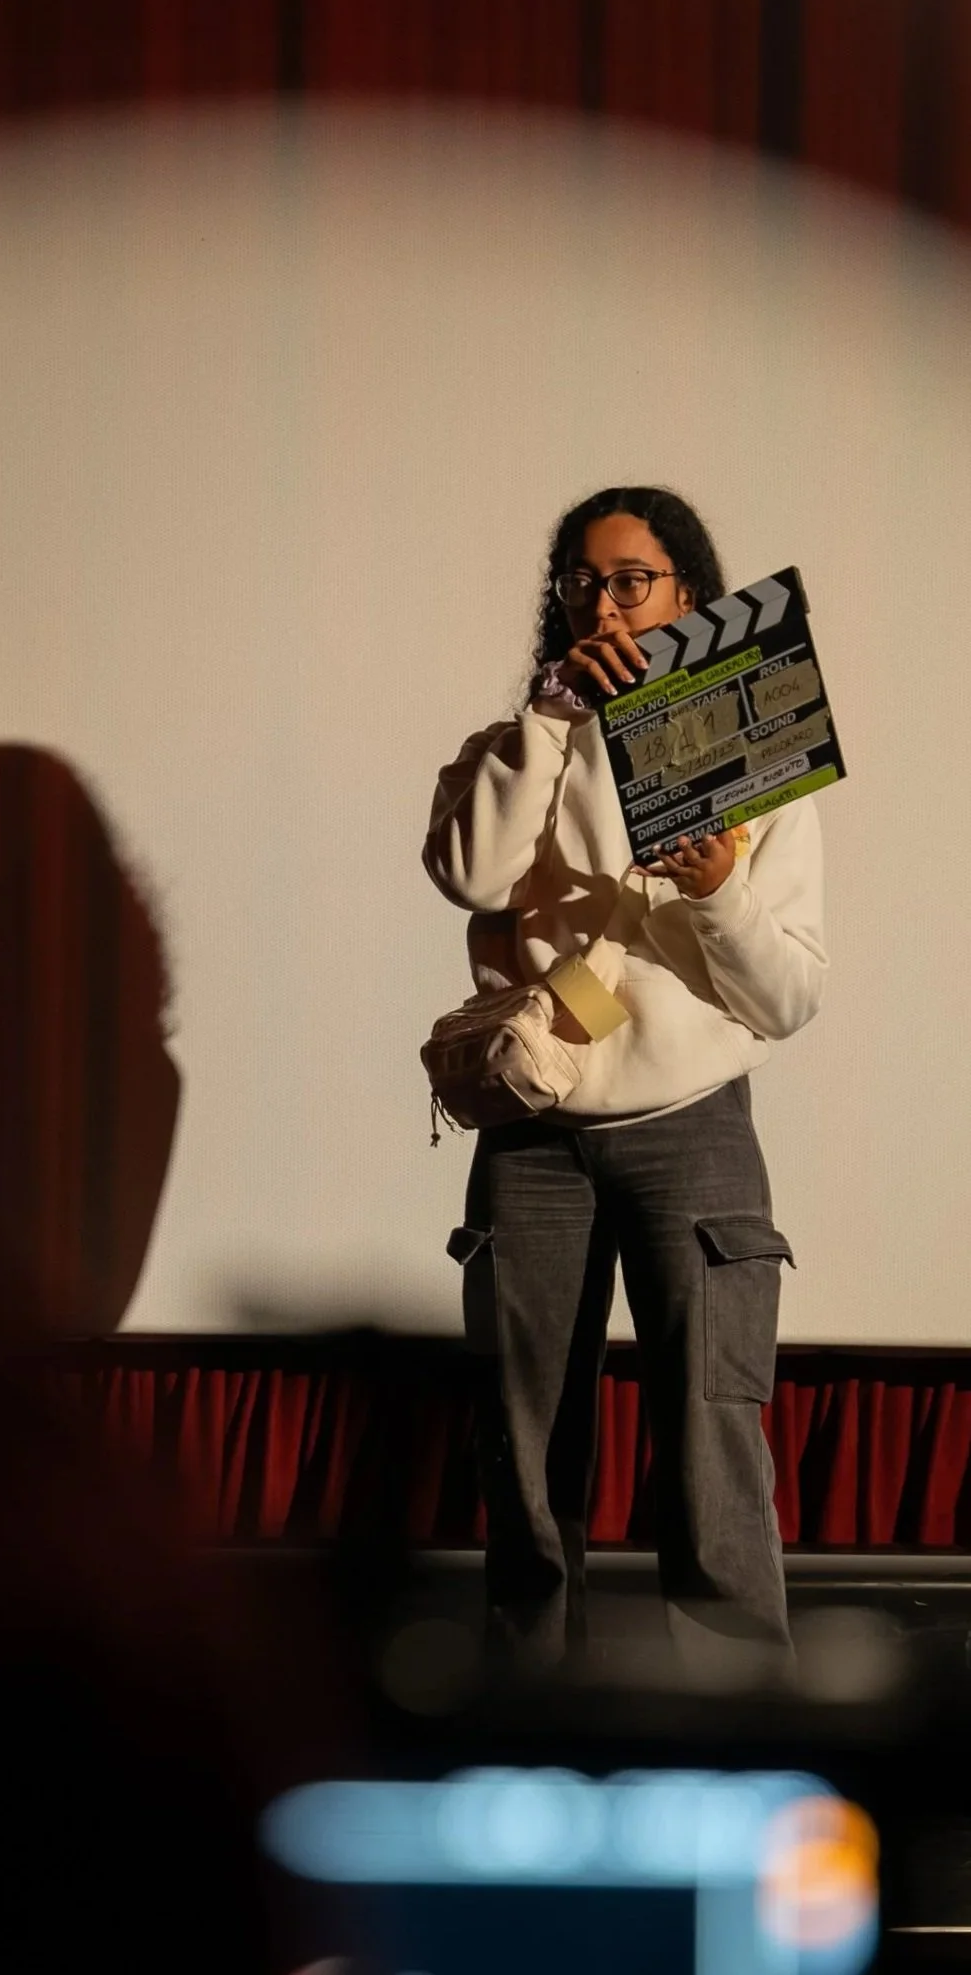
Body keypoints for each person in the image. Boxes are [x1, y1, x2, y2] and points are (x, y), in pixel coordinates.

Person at [423, 487, 826, 1670]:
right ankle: (528, 1712)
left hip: (692, 1125)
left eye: (632, 580)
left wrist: (716, 890)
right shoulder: (513, 746)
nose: (606, 603)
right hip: (536, 1127)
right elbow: (474, 873)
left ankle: (748, 1729)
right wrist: (547, 721)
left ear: (688, 595)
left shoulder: (761, 751)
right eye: (584, 582)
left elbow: (787, 995)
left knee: (710, 1442)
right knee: (526, 1446)